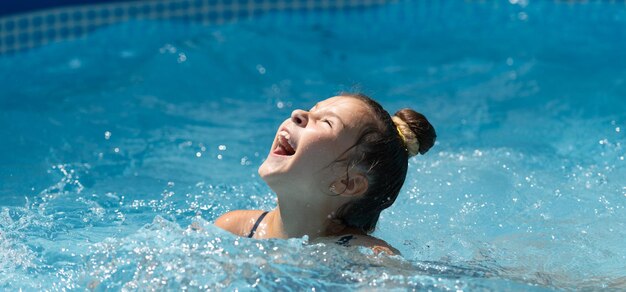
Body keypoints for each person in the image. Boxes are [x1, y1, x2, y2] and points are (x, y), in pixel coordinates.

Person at [215, 93, 436, 255]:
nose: (298, 114)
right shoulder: (235, 229)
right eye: (312, 110)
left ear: (346, 182)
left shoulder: (369, 255)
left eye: (327, 122)